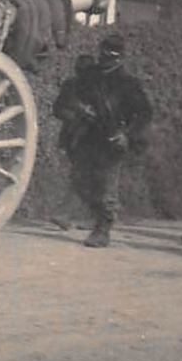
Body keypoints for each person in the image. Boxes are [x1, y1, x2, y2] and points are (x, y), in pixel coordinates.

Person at [52, 33, 152, 248]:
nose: (106, 59)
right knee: (80, 181)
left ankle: (102, 229)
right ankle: (94, 218)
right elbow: (65, 100)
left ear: (121, 58)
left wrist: (127, 134)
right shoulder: (88, 76)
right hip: (86, 136)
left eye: (112, 56)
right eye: (104, 54)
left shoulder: (128, 83)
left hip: (111, 139)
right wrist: (79, 109)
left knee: (106, 186)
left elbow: (144, 113)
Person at [48, 53, 98, 230]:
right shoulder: (71, 85)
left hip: (93, 138)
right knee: (84, 175)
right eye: (81, 70)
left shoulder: (99, 88)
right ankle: (91, 216)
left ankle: (67, 214)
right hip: (74, 135)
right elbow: (58, 109)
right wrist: (77, 115)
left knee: (83, 175)